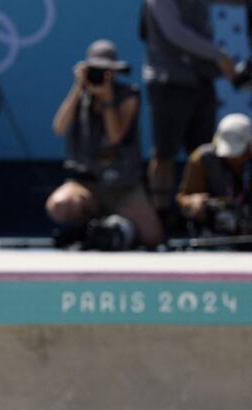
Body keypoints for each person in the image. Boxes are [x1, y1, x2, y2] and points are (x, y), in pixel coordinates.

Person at [46, 39, 163, 250]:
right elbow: (59, 127)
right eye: (96, 69)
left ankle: (119, 228)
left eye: (107, 71)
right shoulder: (81, 96)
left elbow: (115, 136)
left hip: (123, 185)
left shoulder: (128, 96)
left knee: (152, 236)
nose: (101, 76)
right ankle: (89, 228)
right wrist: (77, 88)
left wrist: (107, 100)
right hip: (87, 182)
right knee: (60, 205)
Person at [140, 0, 237, 224]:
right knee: (164, 154)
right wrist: (219, 55)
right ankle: (161, 217)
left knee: (205, 152)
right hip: (169, 82)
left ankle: (207, 216)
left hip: (201, 81)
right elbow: (175, 33)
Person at [176, 113, 252, 235]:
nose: (232, 158)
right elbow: (183, 198)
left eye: (238, 153)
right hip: (216, 228)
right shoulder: (201, 159)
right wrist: (193, 201)